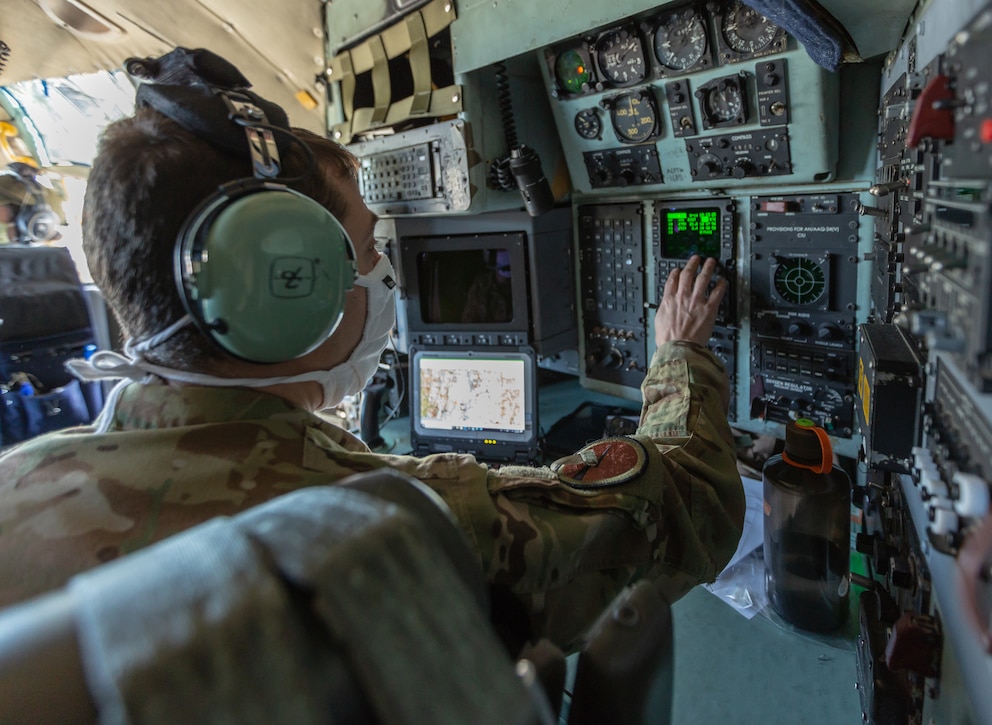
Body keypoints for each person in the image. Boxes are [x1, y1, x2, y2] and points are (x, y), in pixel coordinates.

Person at [0, 48, 743, 652]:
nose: (387, 278)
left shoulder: (18, 477)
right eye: (362, 248)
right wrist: (678, 353)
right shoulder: (390, 521)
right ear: (285, 286)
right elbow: (688, 507)